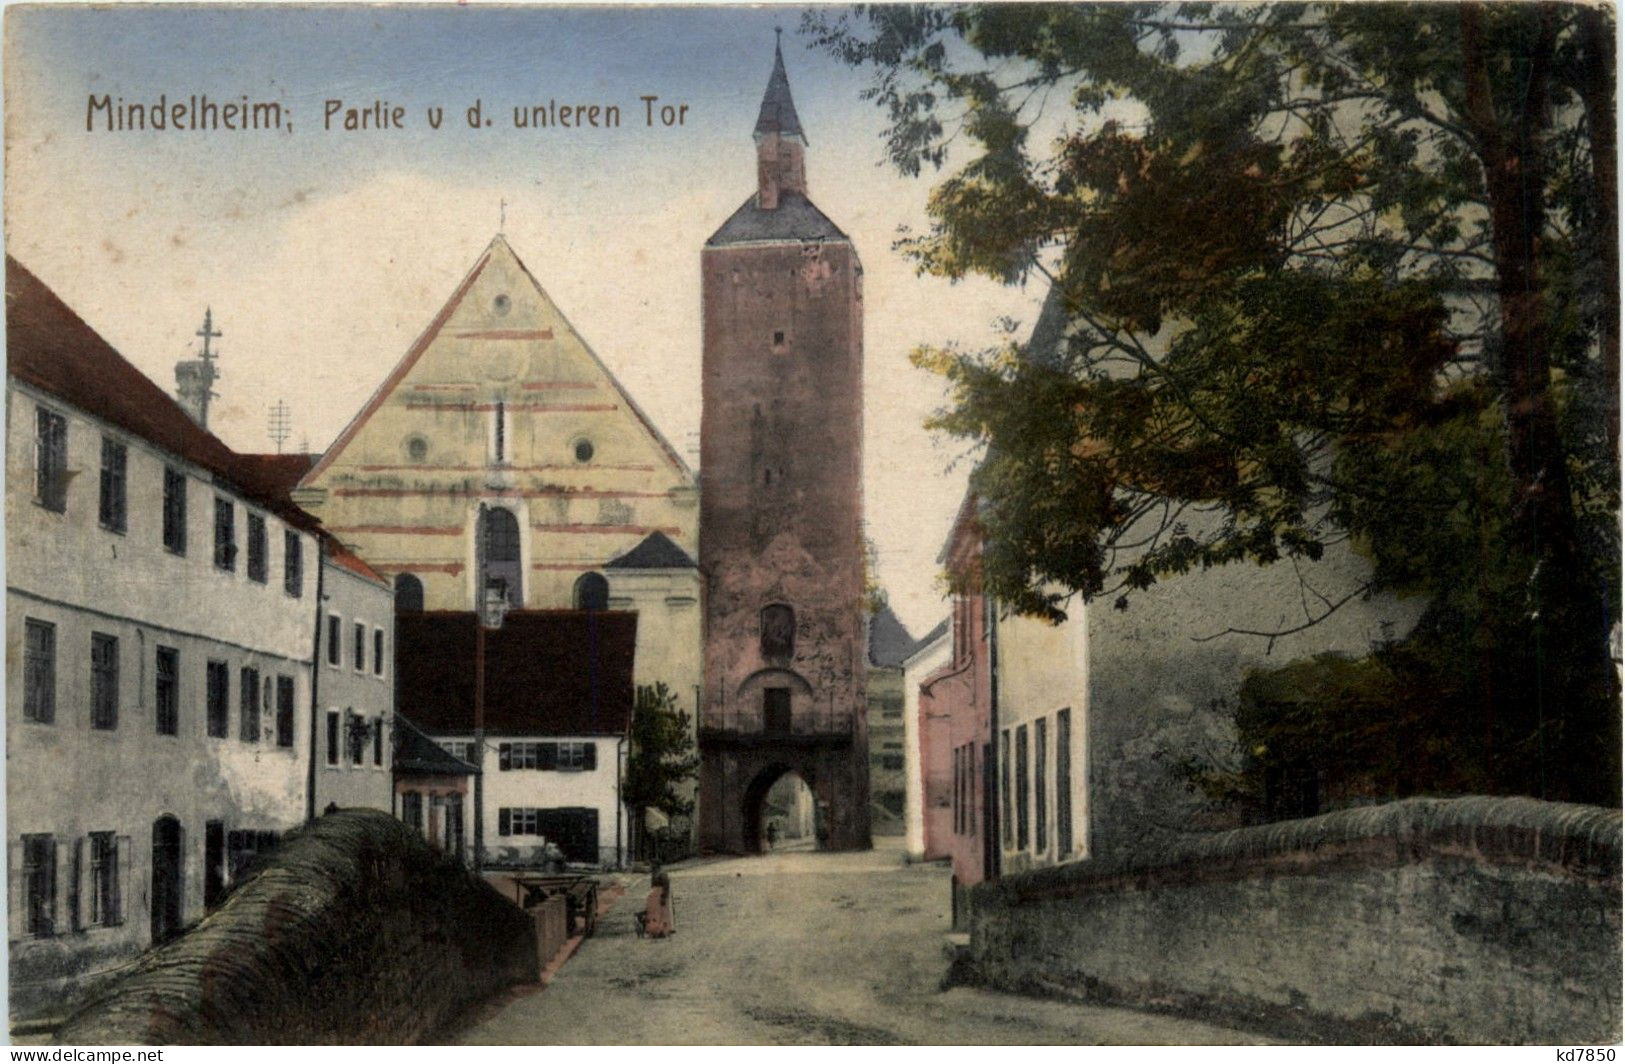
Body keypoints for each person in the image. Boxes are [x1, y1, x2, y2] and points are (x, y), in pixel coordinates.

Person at [642, 861, 674, 939]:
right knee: (654, 913)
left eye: (653, 865)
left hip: (661, 893)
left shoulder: (662, 873)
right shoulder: (654, 873)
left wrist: (664, 896)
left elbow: (666, 885)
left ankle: (663, 930)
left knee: (663, 912)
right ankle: (655, 930)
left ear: (657, 865)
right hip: (655, 895)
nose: (651, 866)